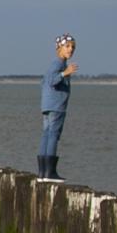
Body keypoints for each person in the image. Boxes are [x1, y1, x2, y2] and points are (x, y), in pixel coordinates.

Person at [37, 34, 77, 180]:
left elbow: (44, 83)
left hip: (48, 105)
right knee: (53, 134)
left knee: (47, 134)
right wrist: (65, 73)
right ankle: (49, 172)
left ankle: (43, 173)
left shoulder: (54, 64)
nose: (71, 49)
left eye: (73, 47)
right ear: (59, 48)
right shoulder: (59, 64)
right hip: (56, 106)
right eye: (67, 46)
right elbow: (52, 80)